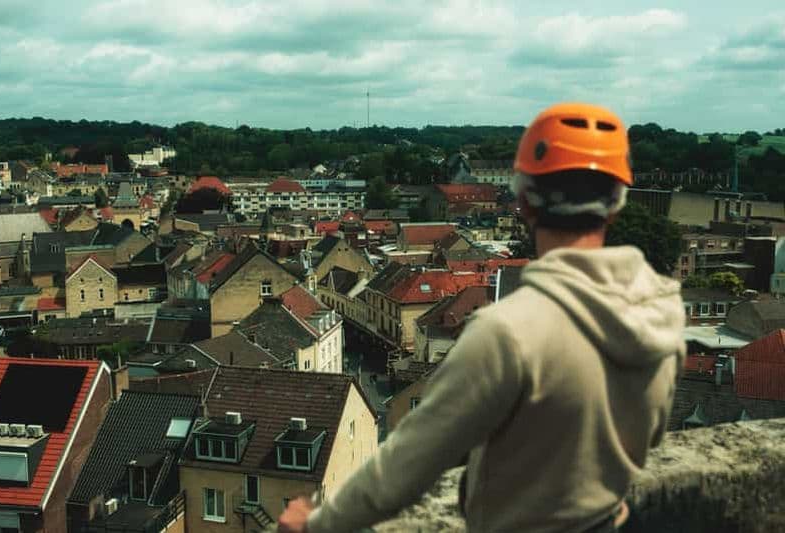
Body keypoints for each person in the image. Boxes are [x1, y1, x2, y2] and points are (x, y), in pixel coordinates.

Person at [278, 103, 685, 533]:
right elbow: (643, 438)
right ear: (617, 204)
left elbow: (407, 466)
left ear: (524, 201)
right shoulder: (662, 309)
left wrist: (317, 524)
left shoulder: (507, 332)